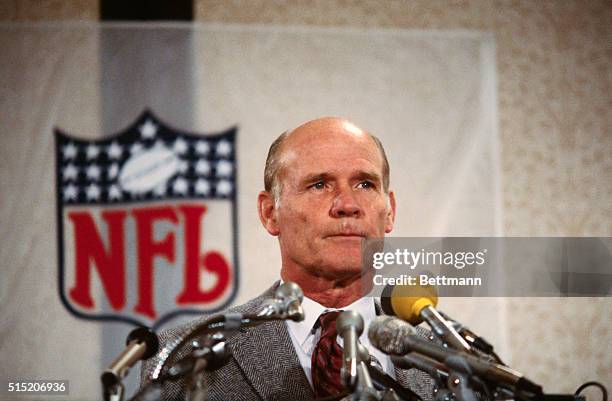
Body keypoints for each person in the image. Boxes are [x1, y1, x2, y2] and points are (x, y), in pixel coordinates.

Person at [140, 117, 434, 401]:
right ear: (270, 213)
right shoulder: (185, 359)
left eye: (365, 185)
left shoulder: (451, 366)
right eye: (319, 184)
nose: (348, 205)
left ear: (390, 211)